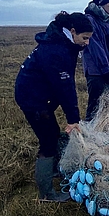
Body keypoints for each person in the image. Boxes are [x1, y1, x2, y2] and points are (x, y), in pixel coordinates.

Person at [14, 11, 93, 202]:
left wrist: (72, 117)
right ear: (72, 31)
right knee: (48, 141)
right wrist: (73, 120)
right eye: (84, 38)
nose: (87, 42)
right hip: (32, 98)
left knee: (52, 131)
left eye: (89, 38)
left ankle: (53, 171)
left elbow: (64, 84)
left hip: (38, 95)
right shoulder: (57, 51)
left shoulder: (64, 42)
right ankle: (47, 194)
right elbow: (65, 87)